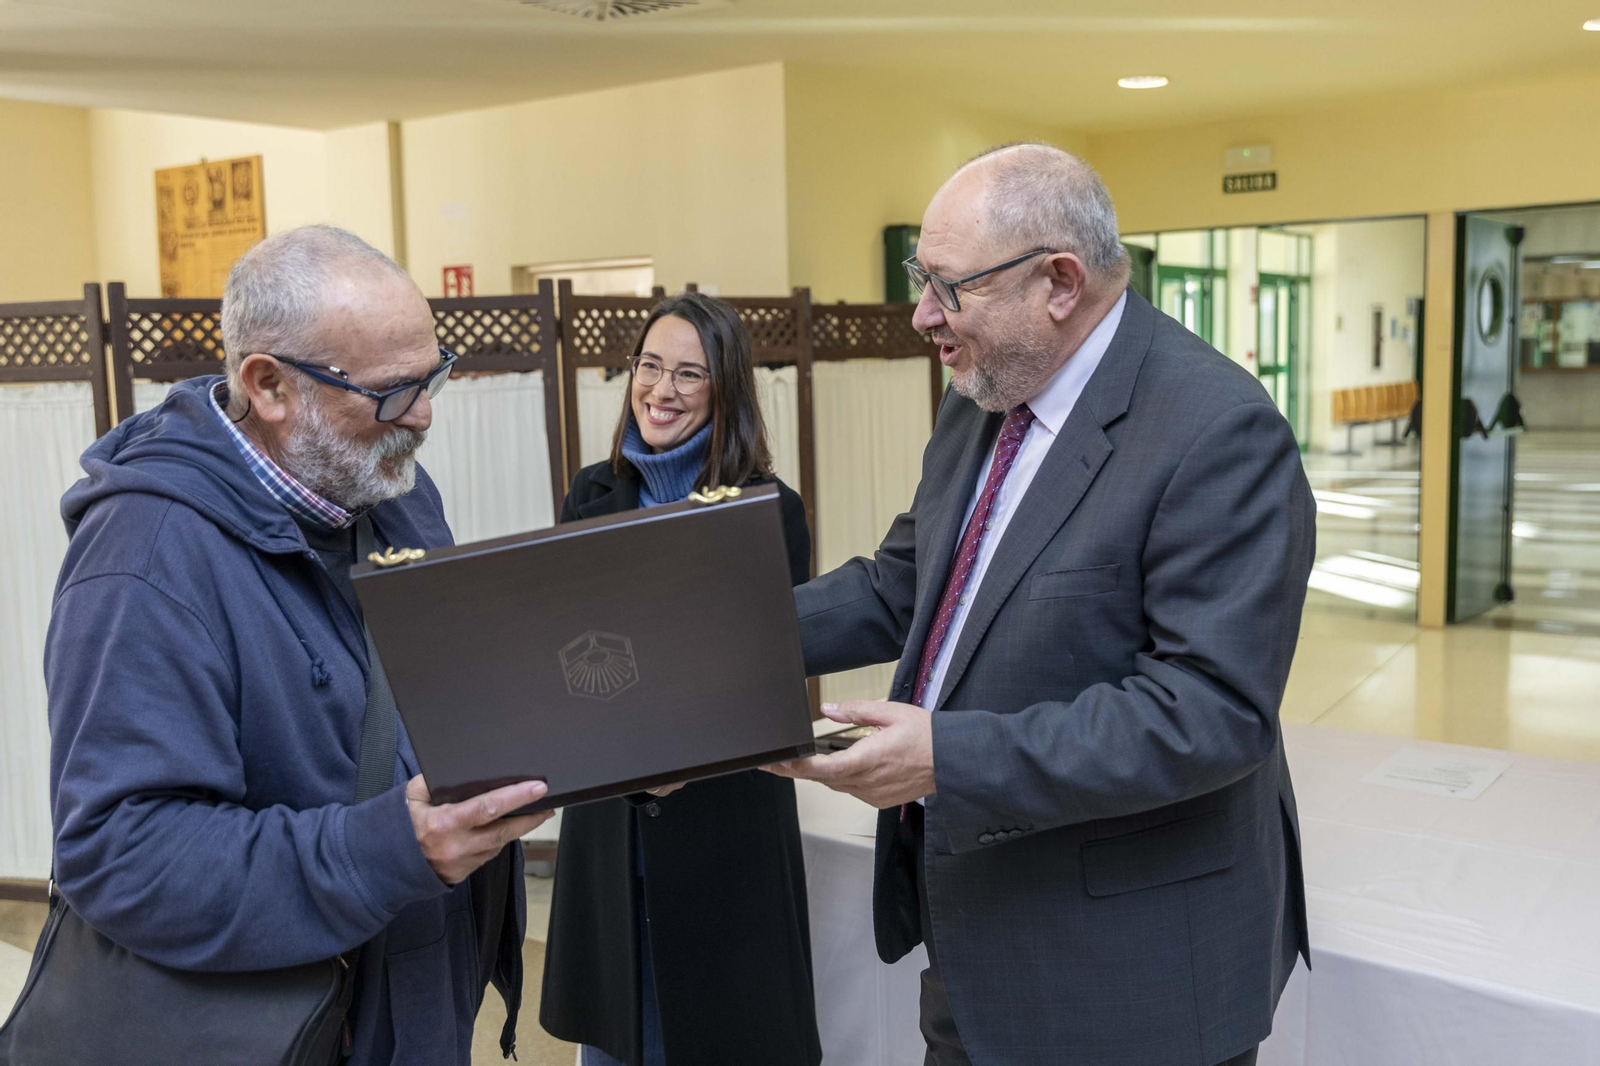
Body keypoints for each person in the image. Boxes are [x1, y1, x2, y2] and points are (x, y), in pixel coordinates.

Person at [770, 143, 1314, 1066]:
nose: (921, 314)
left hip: (1129, 973)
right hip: (980, 931)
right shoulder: (983, 396)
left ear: (1059, 282)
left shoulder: (1218, 430)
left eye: (949, 286)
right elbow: (903, 583)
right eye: (920, 278)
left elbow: (1210, 715)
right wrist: (725, 637)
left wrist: (946, 757)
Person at [45, 225, 551, 1065]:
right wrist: (389, 850)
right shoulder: (144, 560)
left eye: (434, 378)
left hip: (422, 991)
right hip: (293, 1026)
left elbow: (437, 699)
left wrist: (604, 744)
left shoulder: (389, 490)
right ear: (269, 385)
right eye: (392, 392)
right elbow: (120, 856)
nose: (423, 416)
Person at [540, 292, 822, 1066]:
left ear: (725, 389)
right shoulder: (588, 496)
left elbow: (761, 673)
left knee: (723, 1031)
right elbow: (572, 653)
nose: (660, 390)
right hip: (612, 819)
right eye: (649, 366)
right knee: (620, 1036)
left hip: (724, 820)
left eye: (688, 375)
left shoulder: (770, 507)